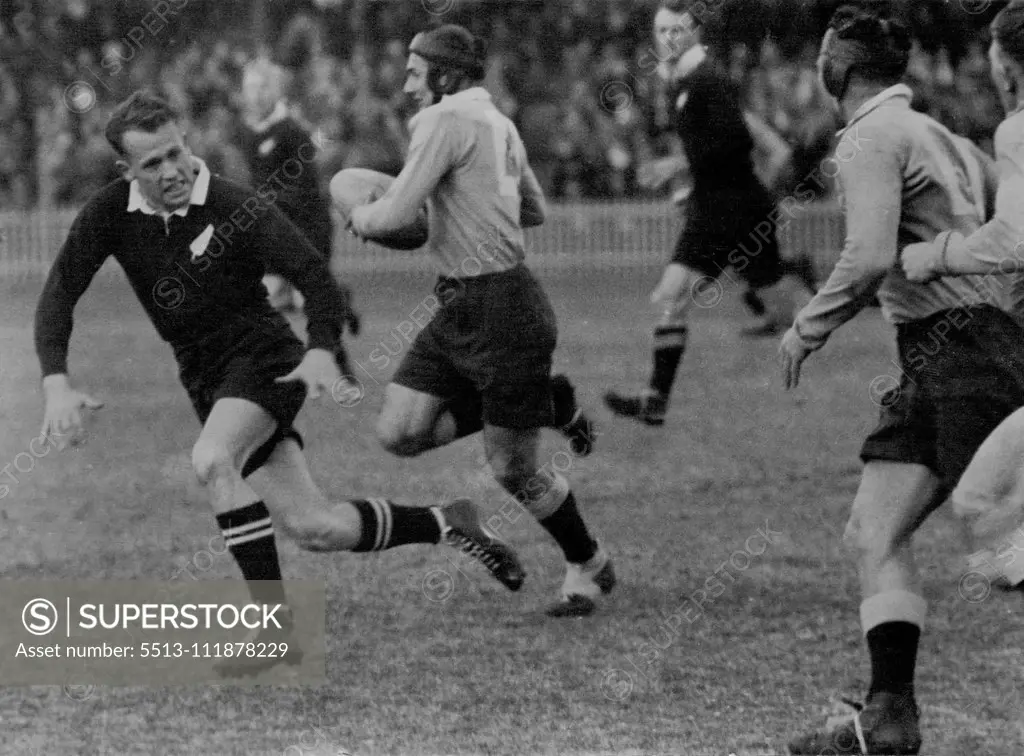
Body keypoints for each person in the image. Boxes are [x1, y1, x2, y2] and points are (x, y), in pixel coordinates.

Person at [34, 91, 525, 676]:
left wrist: (321, 350)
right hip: (205, 378)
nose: (171, 171)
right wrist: (55, 383)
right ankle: (449, 522)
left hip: (266, 358)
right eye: (152, 164)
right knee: (315, 527)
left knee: (214, 459)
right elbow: (60, 292)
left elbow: (313, 275)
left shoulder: (232, 204)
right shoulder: (110, 212)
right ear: (127, 170)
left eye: (176, 152)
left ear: (186, 140)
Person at [779, 7, 1024, 754]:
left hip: (963, 357)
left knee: (1003, 541)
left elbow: (872, 254)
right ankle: (889, 717)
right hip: (950, 352)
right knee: (872, 532)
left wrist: (807, 326)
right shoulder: (940, 133)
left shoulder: (867, 136)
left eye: (824, 55)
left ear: (839, 69)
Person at [346, 25, 613, 618]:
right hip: (463, 302)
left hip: (502, 308)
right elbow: (535, 210)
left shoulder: (441, 121)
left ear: (443, 77)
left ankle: (589, 566)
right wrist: (465, 198)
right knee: (400, 431)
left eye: (417, 73)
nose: (408, 83)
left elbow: (394, 213)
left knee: (512, 470)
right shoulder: (500, 123)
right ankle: (545, 400)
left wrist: (358, 215)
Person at [604, 0, 817, 428]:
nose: (668, 39)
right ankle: (655, 399)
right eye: (661, 31)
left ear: (695, 33)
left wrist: (678, 167)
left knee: (784, 317)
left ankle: (831, 294)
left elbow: (735, 143)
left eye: (677, 30)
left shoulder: (706, 80)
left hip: (738, 212)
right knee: (671, 298)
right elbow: (714, 148)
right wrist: (692, 185)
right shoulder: (685, 82)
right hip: (715, 210)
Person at [902, 0, 1024, 594]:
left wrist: (938, 255)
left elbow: (1012, 237)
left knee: (979, 501)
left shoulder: (1018, 129)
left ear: (1008, 68)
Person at [238, 58, 334, 314]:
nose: (256, 96)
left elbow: (306, 187)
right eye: (250, 88)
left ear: (276, 90)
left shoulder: (292, 131)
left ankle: (339, 307)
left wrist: (269, 204)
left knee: (308, 304)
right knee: (266, 300)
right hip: (272, 225)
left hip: (306, 226)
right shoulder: (248, 130)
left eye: (262, 88)